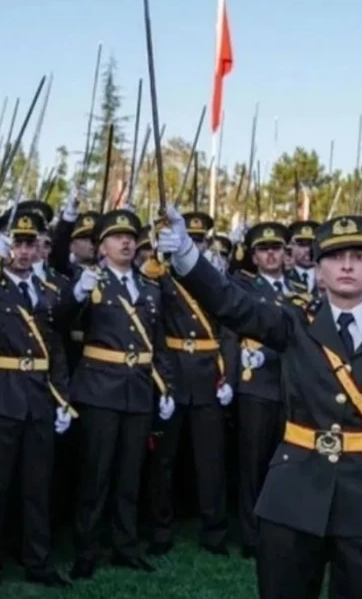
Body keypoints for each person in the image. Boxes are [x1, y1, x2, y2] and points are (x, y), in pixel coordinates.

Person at [157, 208, 362, 598]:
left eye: (359, 257)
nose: (346, 266)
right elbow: (230, 303)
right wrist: (188, 257)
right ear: (318, 269)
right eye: (334, 257)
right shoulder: (293, 322)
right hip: (293, 493)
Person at [0, 209, 74, 596]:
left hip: (38, 398)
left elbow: (56, 349)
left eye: (30, 244)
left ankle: (38, 561)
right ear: (5, 246)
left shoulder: (48, 293)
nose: (25, 252)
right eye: (17, 244)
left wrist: (62, 398)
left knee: (37, 486)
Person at [65, 209, 175, 579]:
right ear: (101, 246)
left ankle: (125, 545)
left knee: (130, 474)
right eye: (116, 237)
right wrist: (78, 294)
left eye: (130, 236)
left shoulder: (149, 286)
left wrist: (165, 385)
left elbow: (158, 343)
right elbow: (61, 320)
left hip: (139, 389)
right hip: (99, 387)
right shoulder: (89, 282)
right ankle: (86, 549)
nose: (126, 242)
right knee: (96, 474)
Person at [148, 211, 234, 556]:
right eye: (190, 239)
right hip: (173, 371)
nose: (195, 245)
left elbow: (228, 328)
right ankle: (160, 530)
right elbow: (151, 326)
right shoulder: (161, 275)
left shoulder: (212, 278)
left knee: (211, 460)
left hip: (208, 373)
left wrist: (227, 374)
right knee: (163, 460)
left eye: (200, 240)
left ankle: (215, 531)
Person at [230, 221, 291, 559]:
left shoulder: (299, 287)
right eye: (264, 249)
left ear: (285, 253)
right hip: (257, 383)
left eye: (277, 248)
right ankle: (251, 536)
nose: (271, 254)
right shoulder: (246, 287)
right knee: (252, 464)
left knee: (285, 465)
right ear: (253, 256)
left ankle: (280, 530)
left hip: (290, 384)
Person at [285, 220, 318, 293]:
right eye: (302, 245)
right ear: (292, 247)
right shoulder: (282, 278)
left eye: (312, 245)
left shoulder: (328, 277)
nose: (308, 250)